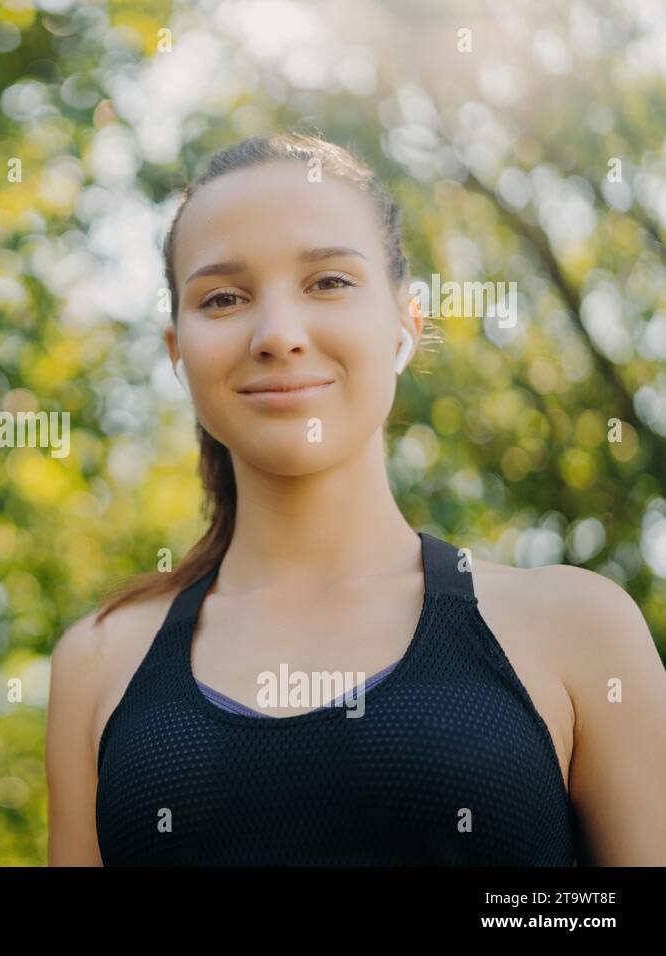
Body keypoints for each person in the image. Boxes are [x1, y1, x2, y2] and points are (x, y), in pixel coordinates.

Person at [45, 132, 666, 865]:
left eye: (329, 282)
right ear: (178, 349)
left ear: (407, 324)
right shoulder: (99, 660)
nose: (278, 334)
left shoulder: (579, 628)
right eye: (223, 298)